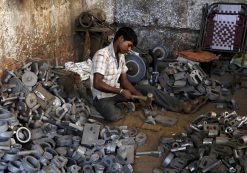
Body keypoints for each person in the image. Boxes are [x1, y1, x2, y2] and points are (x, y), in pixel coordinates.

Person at [90, 27, 202, 121]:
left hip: (117, 92)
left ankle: (182, 105)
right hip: (102, 98)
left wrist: (140, 96)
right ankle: (130, 106)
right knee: (112, 115)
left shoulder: (121, 56)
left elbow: (124, 81)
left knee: (149, 90)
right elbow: (97, 83)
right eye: (128, 45)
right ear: (120, 39)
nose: (129, 50)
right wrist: (121, 91)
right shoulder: (102, 55)